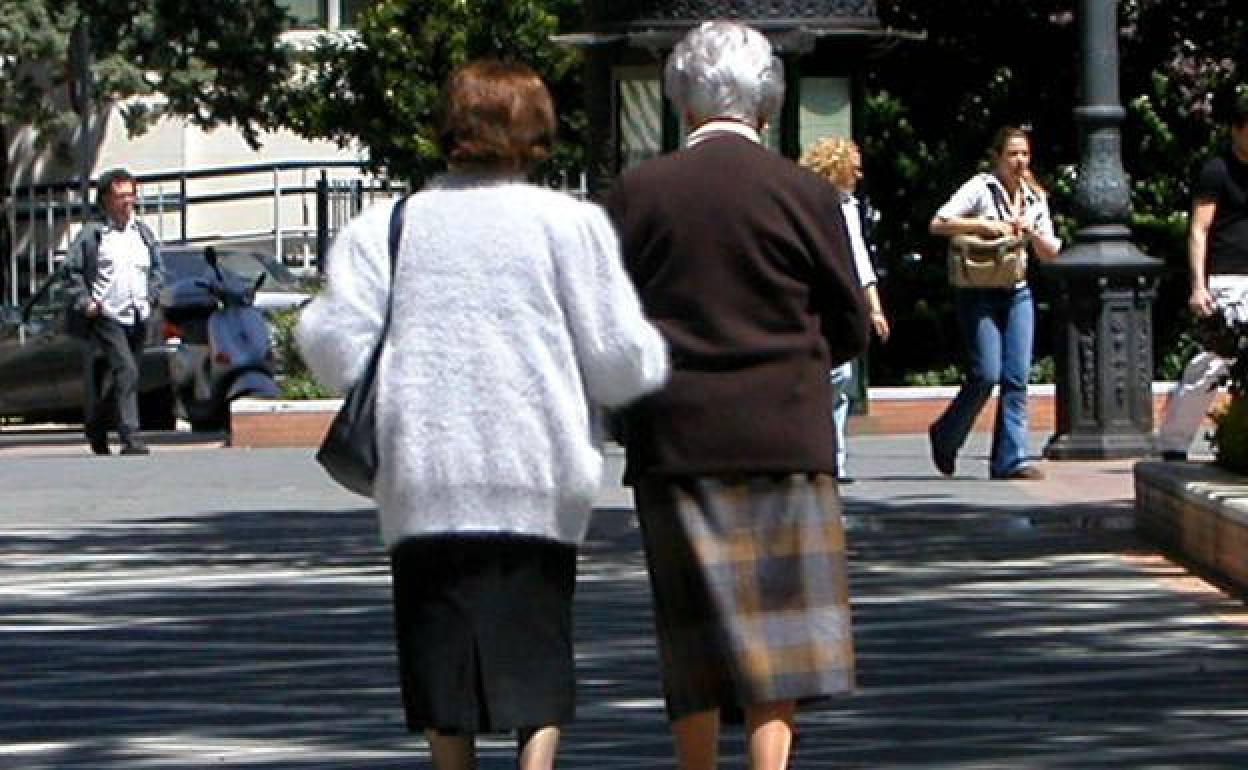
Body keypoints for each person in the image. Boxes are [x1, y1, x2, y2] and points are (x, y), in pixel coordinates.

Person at [296, 60, 668, 770]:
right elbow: (621, 359)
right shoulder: (570, 225)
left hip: (428, 478)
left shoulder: (394, 226)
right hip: (538, 472)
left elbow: (331, 342)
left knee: (443, 676)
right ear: (537, 132)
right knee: (538, 658)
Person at [604, 21, 868, 770]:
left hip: (676, 439)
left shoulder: (639, 192)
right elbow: (848, 318)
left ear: (684, 102)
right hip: (785, 432)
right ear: (767, 103)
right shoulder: (806, 193)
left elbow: (608, 320)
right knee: (780, 634)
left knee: (693, 635)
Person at [927, 126, 1061, 480]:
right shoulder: (980, 188)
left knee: (1016, 377)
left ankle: (1009, 459)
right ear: (998, 158)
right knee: (986, 373)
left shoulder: (1035, 199)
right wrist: (988, 226)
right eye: (1012, 154)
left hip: (1017, 291)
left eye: (1025, 155)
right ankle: (946, 434)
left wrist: (1031, 233)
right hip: (978, 290)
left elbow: (1051, 252)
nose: (1019, 162)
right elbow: (938, 223)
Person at [1157, 93, 1248, 461]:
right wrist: (1199, 284)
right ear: (1237, 131)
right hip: (1228, 278)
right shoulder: (1217, 171)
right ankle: (1175, 442)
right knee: (1215, 361)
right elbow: (1199, 228)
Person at [799, 136, 891, 482]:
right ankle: (824, 455)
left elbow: (861, 260)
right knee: (834, 376)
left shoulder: (848, 205)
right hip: (822, 296)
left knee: (841, 377)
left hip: (840, 296)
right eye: (854, 168)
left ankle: (832, 458)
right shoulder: (819, 204)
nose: (859, 174)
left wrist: (875, 307)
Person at [63, 168, 162, 456]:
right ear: (106, 199)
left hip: (138, 313)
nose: (128, 201)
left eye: (131, 195)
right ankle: (131, 436)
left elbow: (157, 270)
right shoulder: (94, 235)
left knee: (124, 375)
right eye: (120, 196)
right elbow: (71, 272)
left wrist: (152, 296)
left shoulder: (142, 233)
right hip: (107, 315)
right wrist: (87, 302)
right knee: (126, 370)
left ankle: (96, 425)